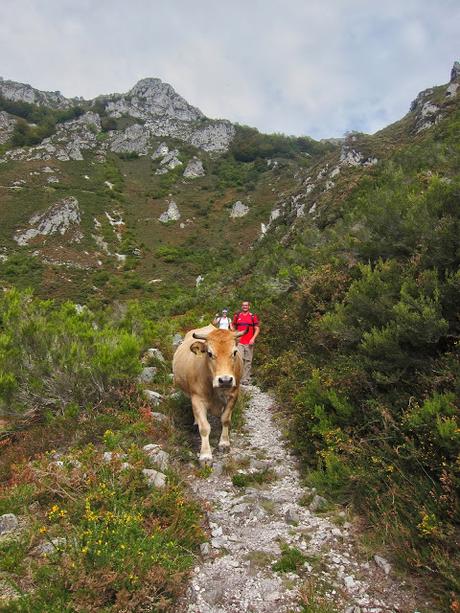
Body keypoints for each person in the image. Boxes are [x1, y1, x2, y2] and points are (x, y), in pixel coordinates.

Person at [232, 301, 260, 385]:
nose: (245, 307)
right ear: (241, 307)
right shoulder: (237, 316)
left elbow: (257, 328)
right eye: (243, 305)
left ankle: (246, 379)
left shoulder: (252, 316)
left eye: (246, 305)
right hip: (239, 342)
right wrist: (234, 335)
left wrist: (253, 338)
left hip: (249, 342)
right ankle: (238, 377)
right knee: (239, 359)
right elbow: (233, 325)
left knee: (248, 360)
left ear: (249, 307)